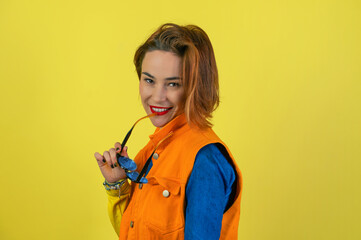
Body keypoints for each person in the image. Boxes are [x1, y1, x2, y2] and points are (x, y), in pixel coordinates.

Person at [94, 23, 242, 240]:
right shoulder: (156, 147)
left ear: (196, 87)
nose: (157, 96)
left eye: (173, 84)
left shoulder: (205, 161)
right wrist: (117, 187)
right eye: (149, 80)